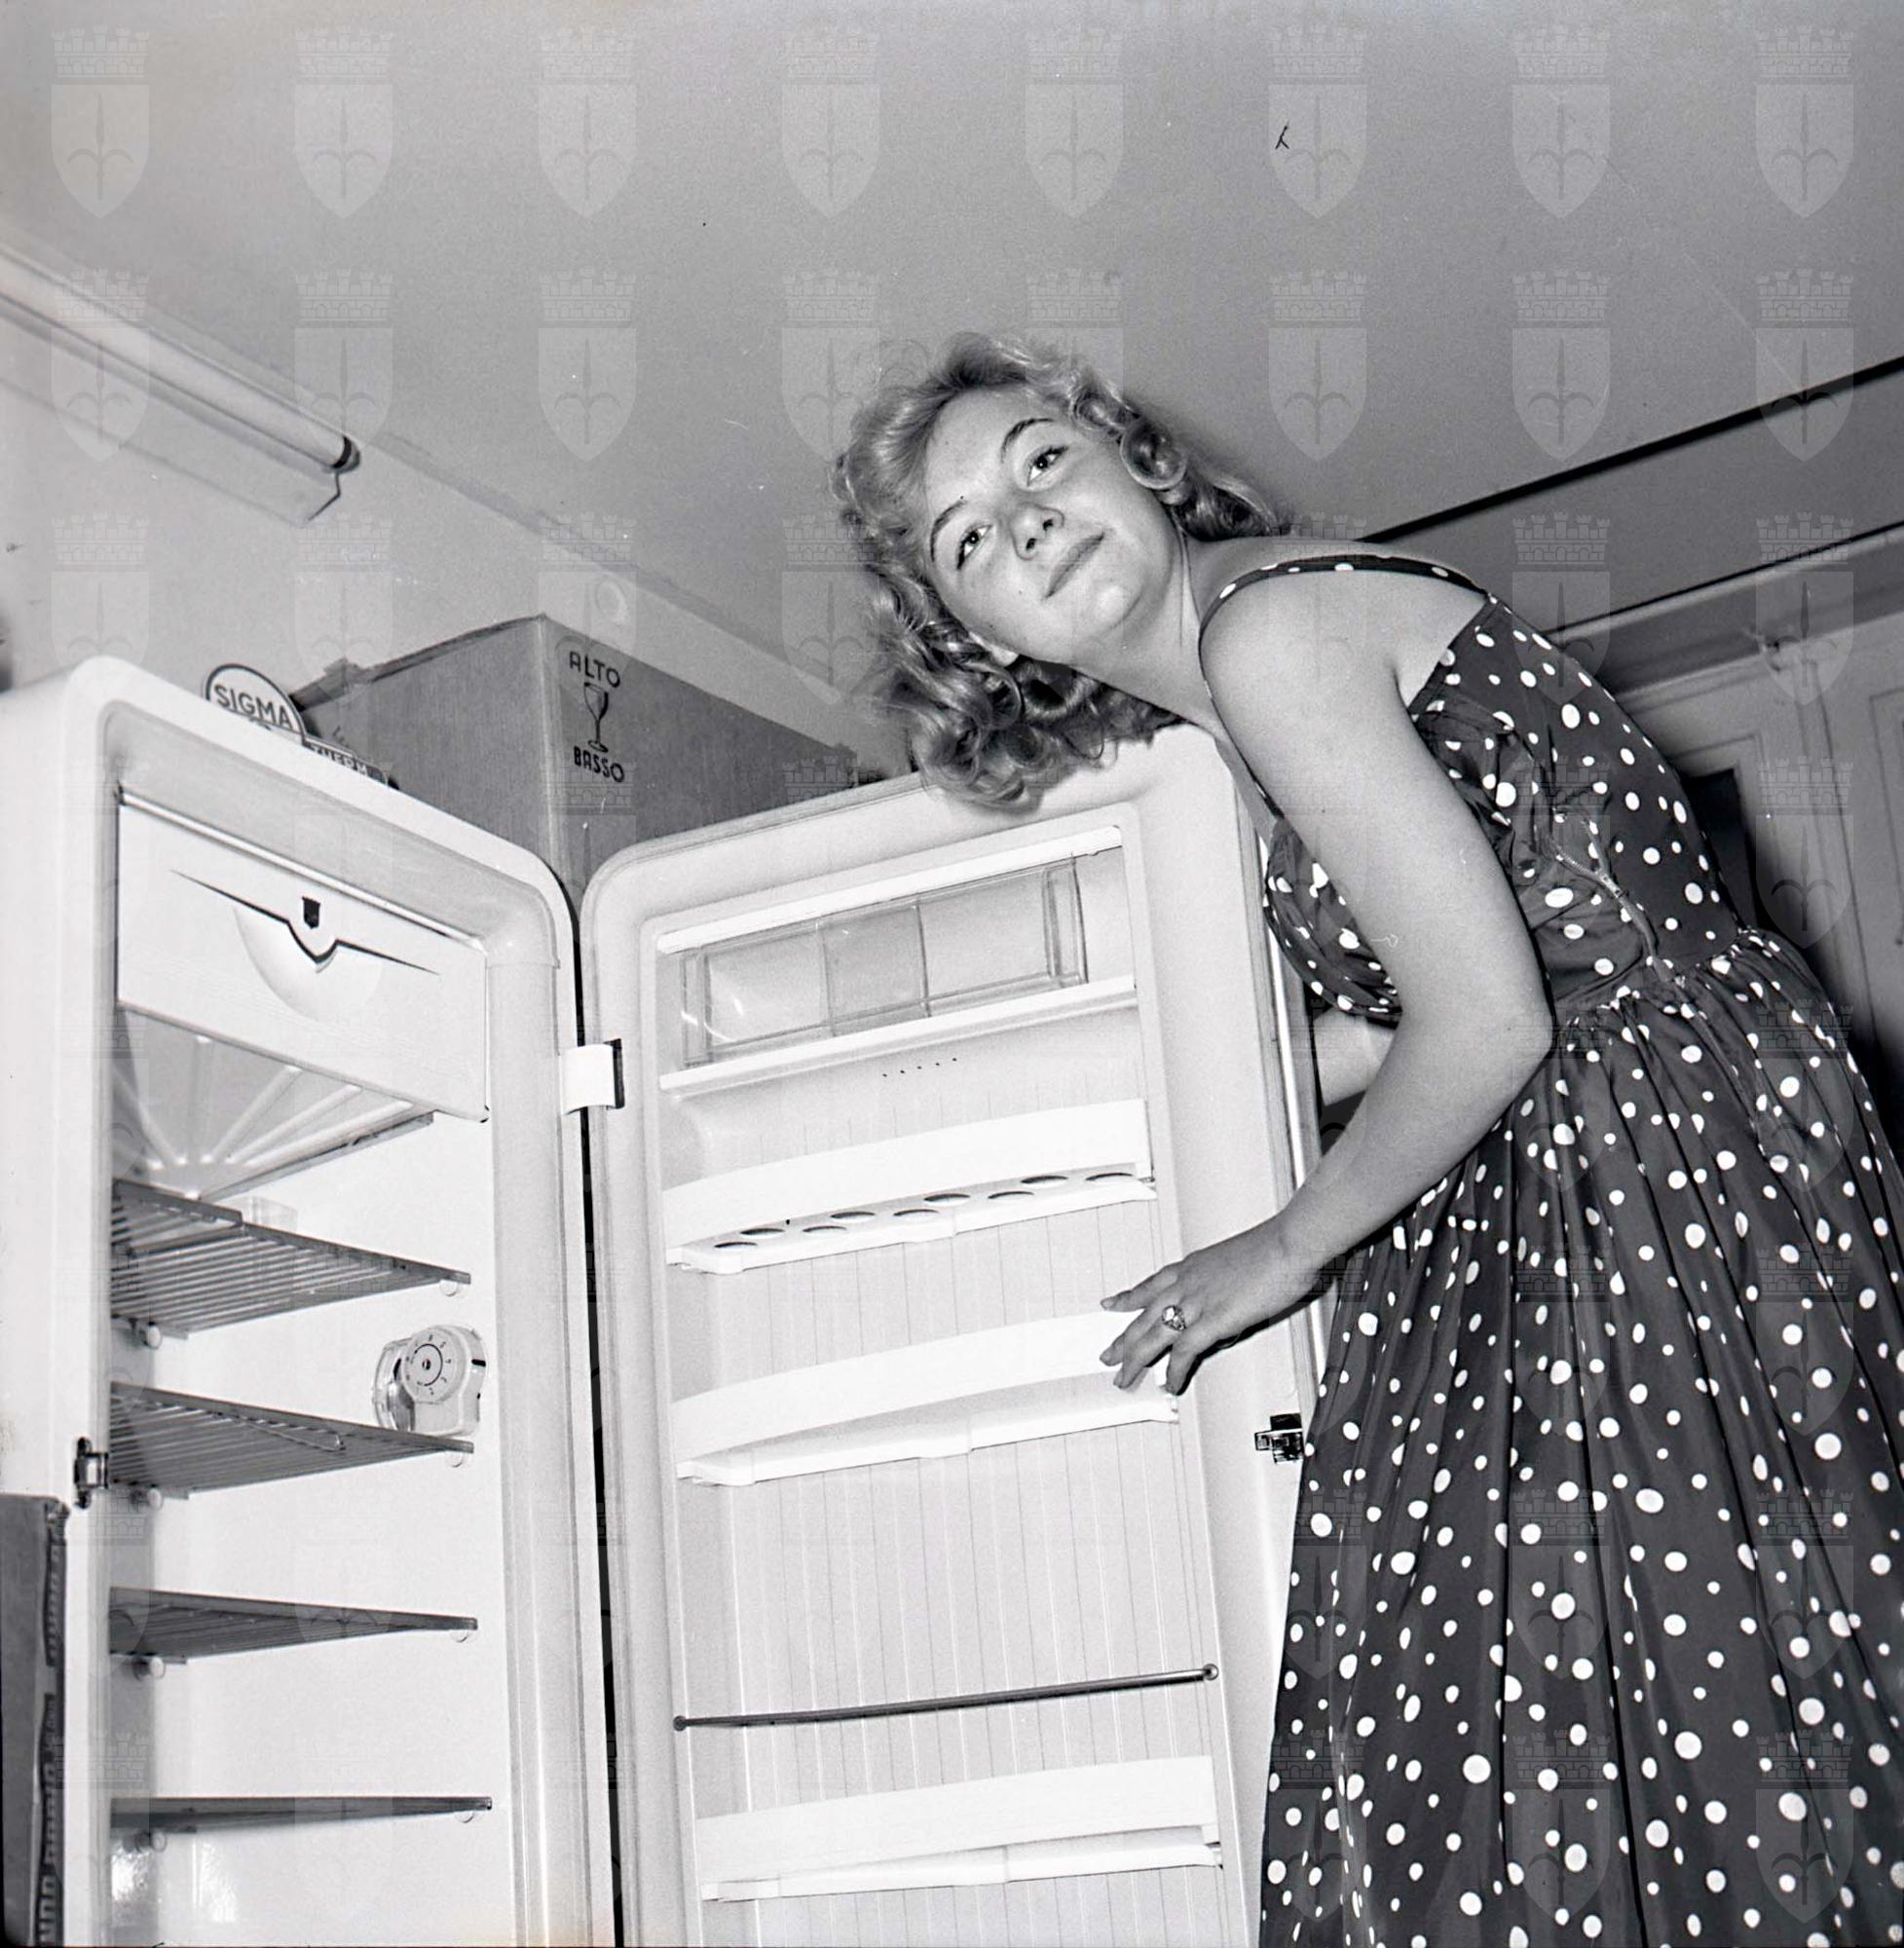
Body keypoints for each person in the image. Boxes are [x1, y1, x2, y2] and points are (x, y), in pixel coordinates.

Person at [830, 331, 1904, 1948]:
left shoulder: (1267, 639)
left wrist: (1275, 1250)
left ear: (1134, 458)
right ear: (975, 634)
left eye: (1040, 458)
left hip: (1633, 1157)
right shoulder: (1241, 695)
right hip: (1670, 1132)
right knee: (1731, 1691)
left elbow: (1490, 1021)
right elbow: (1460, 995)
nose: (1026, 518)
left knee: (1606, 1717)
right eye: (968, 536)